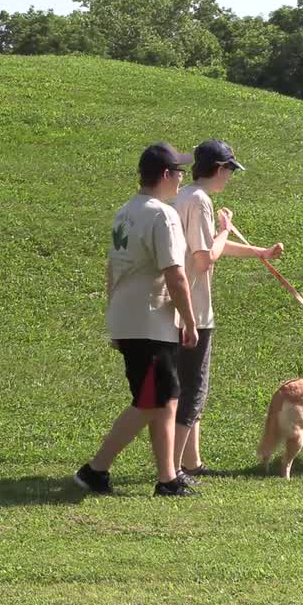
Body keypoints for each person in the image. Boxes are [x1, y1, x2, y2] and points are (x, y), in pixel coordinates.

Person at [75, 142, 201, 497]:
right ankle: (95, 469)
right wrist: (189, 320)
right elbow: (175, 273)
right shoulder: (162, 215)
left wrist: (113, 314)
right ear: (165, 175)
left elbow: (112, 268)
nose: (181, 179)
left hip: (130, 317)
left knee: (165, 398)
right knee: (150, 401)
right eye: (178, 172)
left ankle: (167, 477)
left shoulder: (125, 211)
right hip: (151, 321)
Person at [171, 139, 283, 479]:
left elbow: (207, 248)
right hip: (194, 312)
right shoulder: (200, 202)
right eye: (230, 171)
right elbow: (205, 258)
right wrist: (223, 230)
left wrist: (260, 252)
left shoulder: (184, 197)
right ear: (219, 169)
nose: (230, 178)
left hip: (178, 309)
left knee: (189, 388)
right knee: (193, 389)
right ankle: (173, 470)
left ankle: (192, 463)